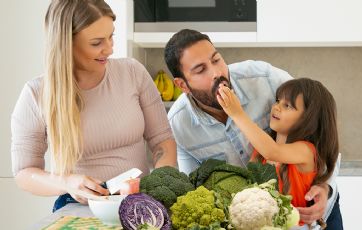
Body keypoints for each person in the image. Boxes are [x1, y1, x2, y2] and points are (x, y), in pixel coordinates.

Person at [165, 29, 342, 229]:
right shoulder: (177, 125)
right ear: (182, 85)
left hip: (318, 215)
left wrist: (326, 186)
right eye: (200, 70)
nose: (217, 73)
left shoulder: (265, 77)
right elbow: (194, 190)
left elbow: (322, 132)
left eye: (216, 60)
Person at [11, 0, 176, 212]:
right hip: (78, 205)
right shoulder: (36, 94)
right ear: (66, 43)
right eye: (96, 43)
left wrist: (158, 184)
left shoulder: (133, 73)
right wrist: (67, 183)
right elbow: (25, 173)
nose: (109, 48)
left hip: (138, 200)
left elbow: (162, 140)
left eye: (111, 36)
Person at [217, 78, 339, 227]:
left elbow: (272, 151)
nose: (276, 107)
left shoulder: (306, 150)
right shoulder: (261, 150)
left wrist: (237, 114)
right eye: (277, 101)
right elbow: (247, 185)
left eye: (287, 105)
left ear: (309, 119)